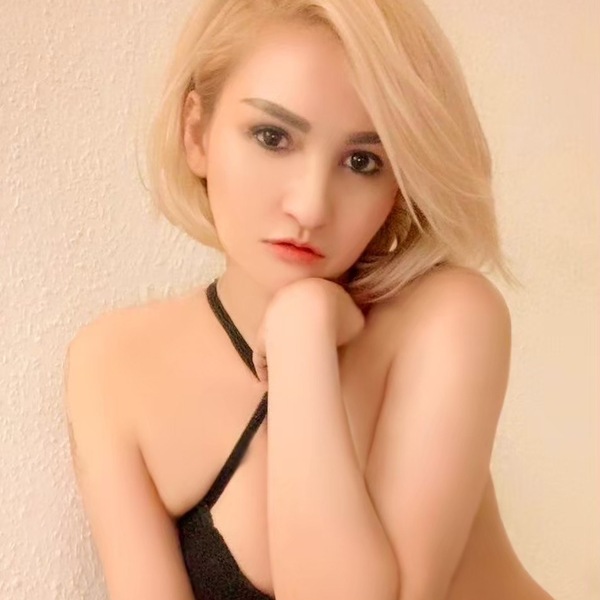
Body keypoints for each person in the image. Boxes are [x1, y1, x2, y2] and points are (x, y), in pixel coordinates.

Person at [63, 0, 556, 599]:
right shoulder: (113, 364)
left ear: (400, 184)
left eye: (362, 161)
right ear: (196, 133)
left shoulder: (449, 318)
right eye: (273, 137)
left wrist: (300, 333)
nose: (311, 206)